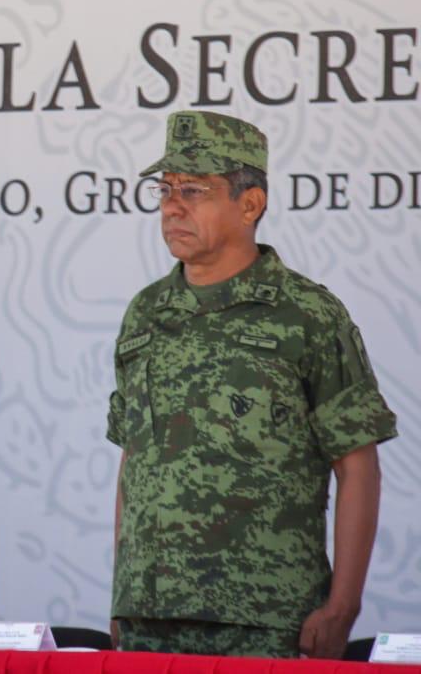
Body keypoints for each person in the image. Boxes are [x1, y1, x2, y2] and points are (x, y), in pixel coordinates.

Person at [108, 111, 398, 658]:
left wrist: (343, 607)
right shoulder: (146, 313)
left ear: (250, 204)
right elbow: (134, 460)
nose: (173, 206)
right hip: (151, 617)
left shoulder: (307, 314)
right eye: (165, 189)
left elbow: (356, 463)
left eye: (193, 189)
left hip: (265, 618)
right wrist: (122, 595)